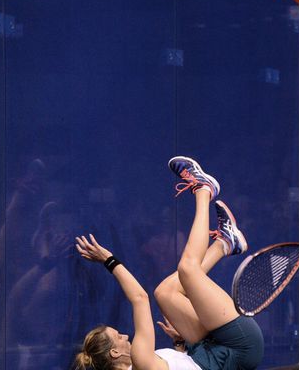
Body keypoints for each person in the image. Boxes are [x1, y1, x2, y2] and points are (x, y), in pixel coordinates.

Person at [73, 156, 263, 370]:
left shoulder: (140, 366)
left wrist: (180, 343)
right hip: (240, 347)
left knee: (165, 292)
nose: (125, 335)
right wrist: (108, 260)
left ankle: (225, 243)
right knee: (187, 269)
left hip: (211, 352)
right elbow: (139, 298)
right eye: (118, 336)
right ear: (114, 352)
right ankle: (204, 190)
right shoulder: (141, 360)